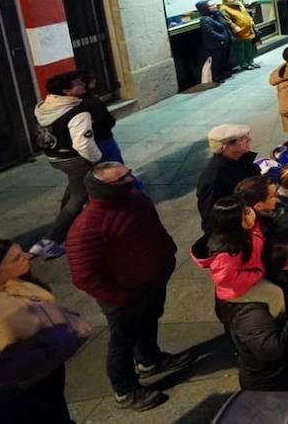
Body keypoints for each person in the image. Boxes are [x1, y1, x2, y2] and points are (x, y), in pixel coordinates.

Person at [65, 162, 192, 410]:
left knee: (149, 321)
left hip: (152, 281)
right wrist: (121, 299)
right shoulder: (88, 227)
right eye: (122, 179)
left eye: (129, 174)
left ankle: (149, 360)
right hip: (124, 295)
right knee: (122, 341)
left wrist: (167, 257)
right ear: (103, 187)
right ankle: (124, 390)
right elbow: (83, 275)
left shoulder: (135, 198)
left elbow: (155, 229)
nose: (130, 180)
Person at [0, 239, 92, 421]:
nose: (28, 256)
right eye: (16, 258)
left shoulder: (19, 285)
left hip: (49, 368)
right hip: (26, 382)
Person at [215, 230, 288, 391]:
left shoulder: (282, 276)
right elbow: (270, 351)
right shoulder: (253, 309)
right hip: (271, 381)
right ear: (279, 261)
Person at [30, 72, 104, 259]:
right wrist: (97, 160)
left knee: (73, 189)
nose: (83, 85)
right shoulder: (78, 113)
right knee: (78, 198)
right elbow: (84, 144)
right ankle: (47, 242)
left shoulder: (44, 107)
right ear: (66, 91)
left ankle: (65, 229)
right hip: (75, 160)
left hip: (56, 158)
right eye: (77, 83)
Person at [196, 123, 259, 225]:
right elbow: (211, 219)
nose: (249, 139)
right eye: (242, 139)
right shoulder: (214, 179)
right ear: (225, 147)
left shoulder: (240, 160)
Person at [196, 0, 234, 83]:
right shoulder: (205, 20)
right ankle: (217, 76)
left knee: (224, 58)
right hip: (216, 44)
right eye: (211, 5)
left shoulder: (217, 15)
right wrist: (222, 37)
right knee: (217, 61)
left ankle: (223, 73)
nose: (215, 6)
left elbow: (224, 26)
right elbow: (210, 32)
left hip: (224, 42)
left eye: (214, 4)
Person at [219, 0, 260, 71]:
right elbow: (227, 20)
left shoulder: (239, 3)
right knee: (240, 48)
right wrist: (234, 27)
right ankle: (244, 64)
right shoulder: (224, 8)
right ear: (226, 0)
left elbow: (246, 14)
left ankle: (251, 61)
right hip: (238, 32)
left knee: (249, 47)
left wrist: (251, 22)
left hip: (247, 29)